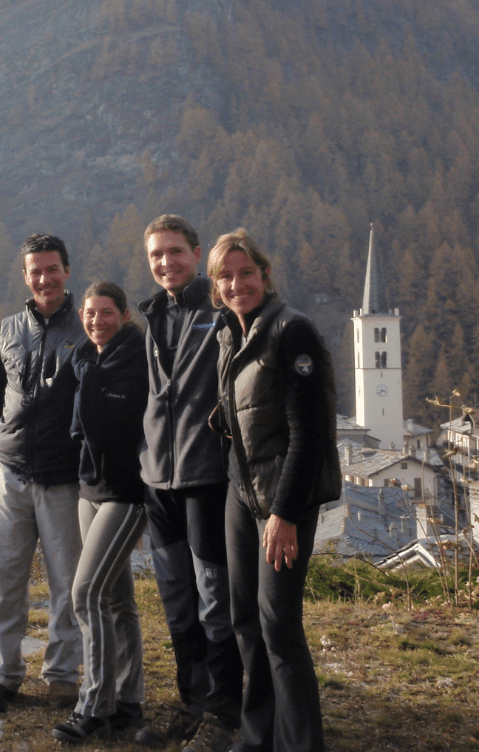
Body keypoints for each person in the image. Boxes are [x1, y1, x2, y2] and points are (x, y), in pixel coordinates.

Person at [206, 229, 341, 752]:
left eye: (246, 273)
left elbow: (310, 436)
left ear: (264, 274)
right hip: (241, 494)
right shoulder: (230, 332)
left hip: (283, 501)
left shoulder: (292, 332)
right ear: (216, 286)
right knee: (246, 621)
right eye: (226, 276)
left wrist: (284, 515)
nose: (237, 284)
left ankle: (302, 744)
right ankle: (257, 736)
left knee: (279, 625)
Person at [0, 233, 84, 715]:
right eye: (35, 271)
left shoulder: (87, 325)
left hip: (63, 475)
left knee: (66, 583)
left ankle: (61, 677)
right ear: (25, 276)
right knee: (5, 579)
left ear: (66, 272)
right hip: (9, 473)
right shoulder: (8, 329)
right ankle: (2, 674)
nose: (44, 278)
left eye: (52, 269)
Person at [136, 215, 243, 752]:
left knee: (212, 598)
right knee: (177, 598)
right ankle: (192, 704)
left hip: (206, 476)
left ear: (197, 255)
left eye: (175, 252)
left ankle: (225, 715)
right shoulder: (150, 314)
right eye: (156, 254)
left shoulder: (220, 309)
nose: (166, 263)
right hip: (157, 480)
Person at [52, 281, 149, 744]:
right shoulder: (87, 358)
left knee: (85, 594)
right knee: (116, 600)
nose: (96, 321)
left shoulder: (135, 359)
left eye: (106, 313)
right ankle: (129, 702)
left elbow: (118, 425)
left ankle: (94, 706)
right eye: (89, 313)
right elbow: (76, 425)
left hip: (126, 492)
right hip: (89, 488)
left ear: (124, 316)